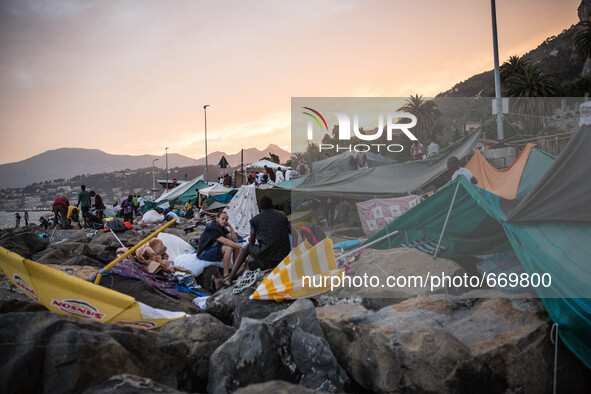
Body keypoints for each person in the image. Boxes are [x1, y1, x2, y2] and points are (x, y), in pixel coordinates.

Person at [213, 196, 295, 290]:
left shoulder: (255, 220)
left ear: (259, 207)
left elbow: (251, 241)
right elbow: (294, 233)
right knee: (249, 266)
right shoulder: (283, 215)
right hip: (282, 255)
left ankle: (230, 278)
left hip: (267, 255)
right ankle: (223, 281)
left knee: (247, 247)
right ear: (272, 205)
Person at [198, 212, 242, 277]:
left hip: (214, 248)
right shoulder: (211, 227)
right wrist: (241, 246)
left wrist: (230, 227)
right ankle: (226, 274)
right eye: (222, 219)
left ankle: (235, 270)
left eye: (226, 220)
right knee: (228, 248)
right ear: (217, 219)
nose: (224, 221)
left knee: (235, 246)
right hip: (204, 252)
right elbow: (225, 241)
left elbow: (234, 240)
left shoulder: (222, 227)